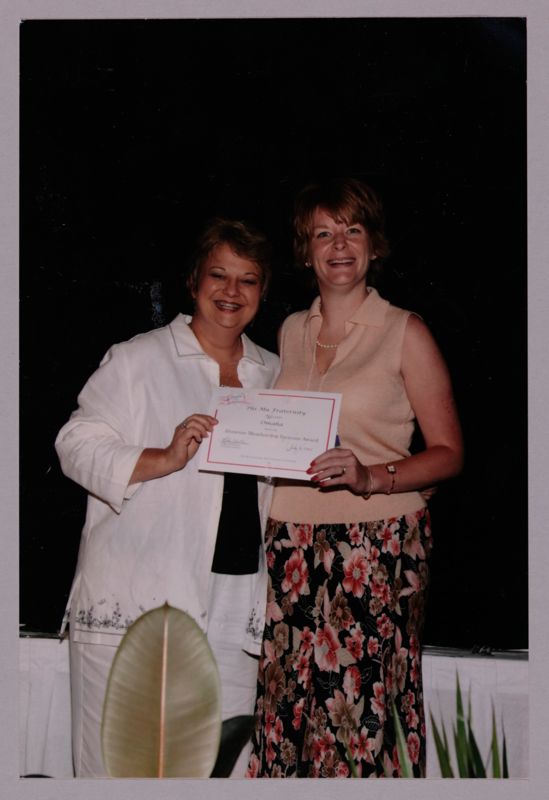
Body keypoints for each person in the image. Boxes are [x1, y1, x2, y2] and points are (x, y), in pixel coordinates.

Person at [247, 178, 464, 778]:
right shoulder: (290, 329)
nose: (338, 245)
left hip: (378, 547)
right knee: (287, 714)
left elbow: (448, 454)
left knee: (360, 722)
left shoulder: (405, 331)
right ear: (305, 250)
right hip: (289, 544)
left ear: (373, 244)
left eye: (352, 230)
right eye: (323, 233)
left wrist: (371, 475)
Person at [55, 217, 280, 777]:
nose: (231, 292)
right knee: (116, 770)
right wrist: (164, 456)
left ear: (263, 292)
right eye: (218, 275)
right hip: (138, 595)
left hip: (236, 604)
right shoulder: (137, 359)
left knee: (219, 768)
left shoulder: (274, 372)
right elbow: (74, 444)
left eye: (248, 280)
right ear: (193, 281)